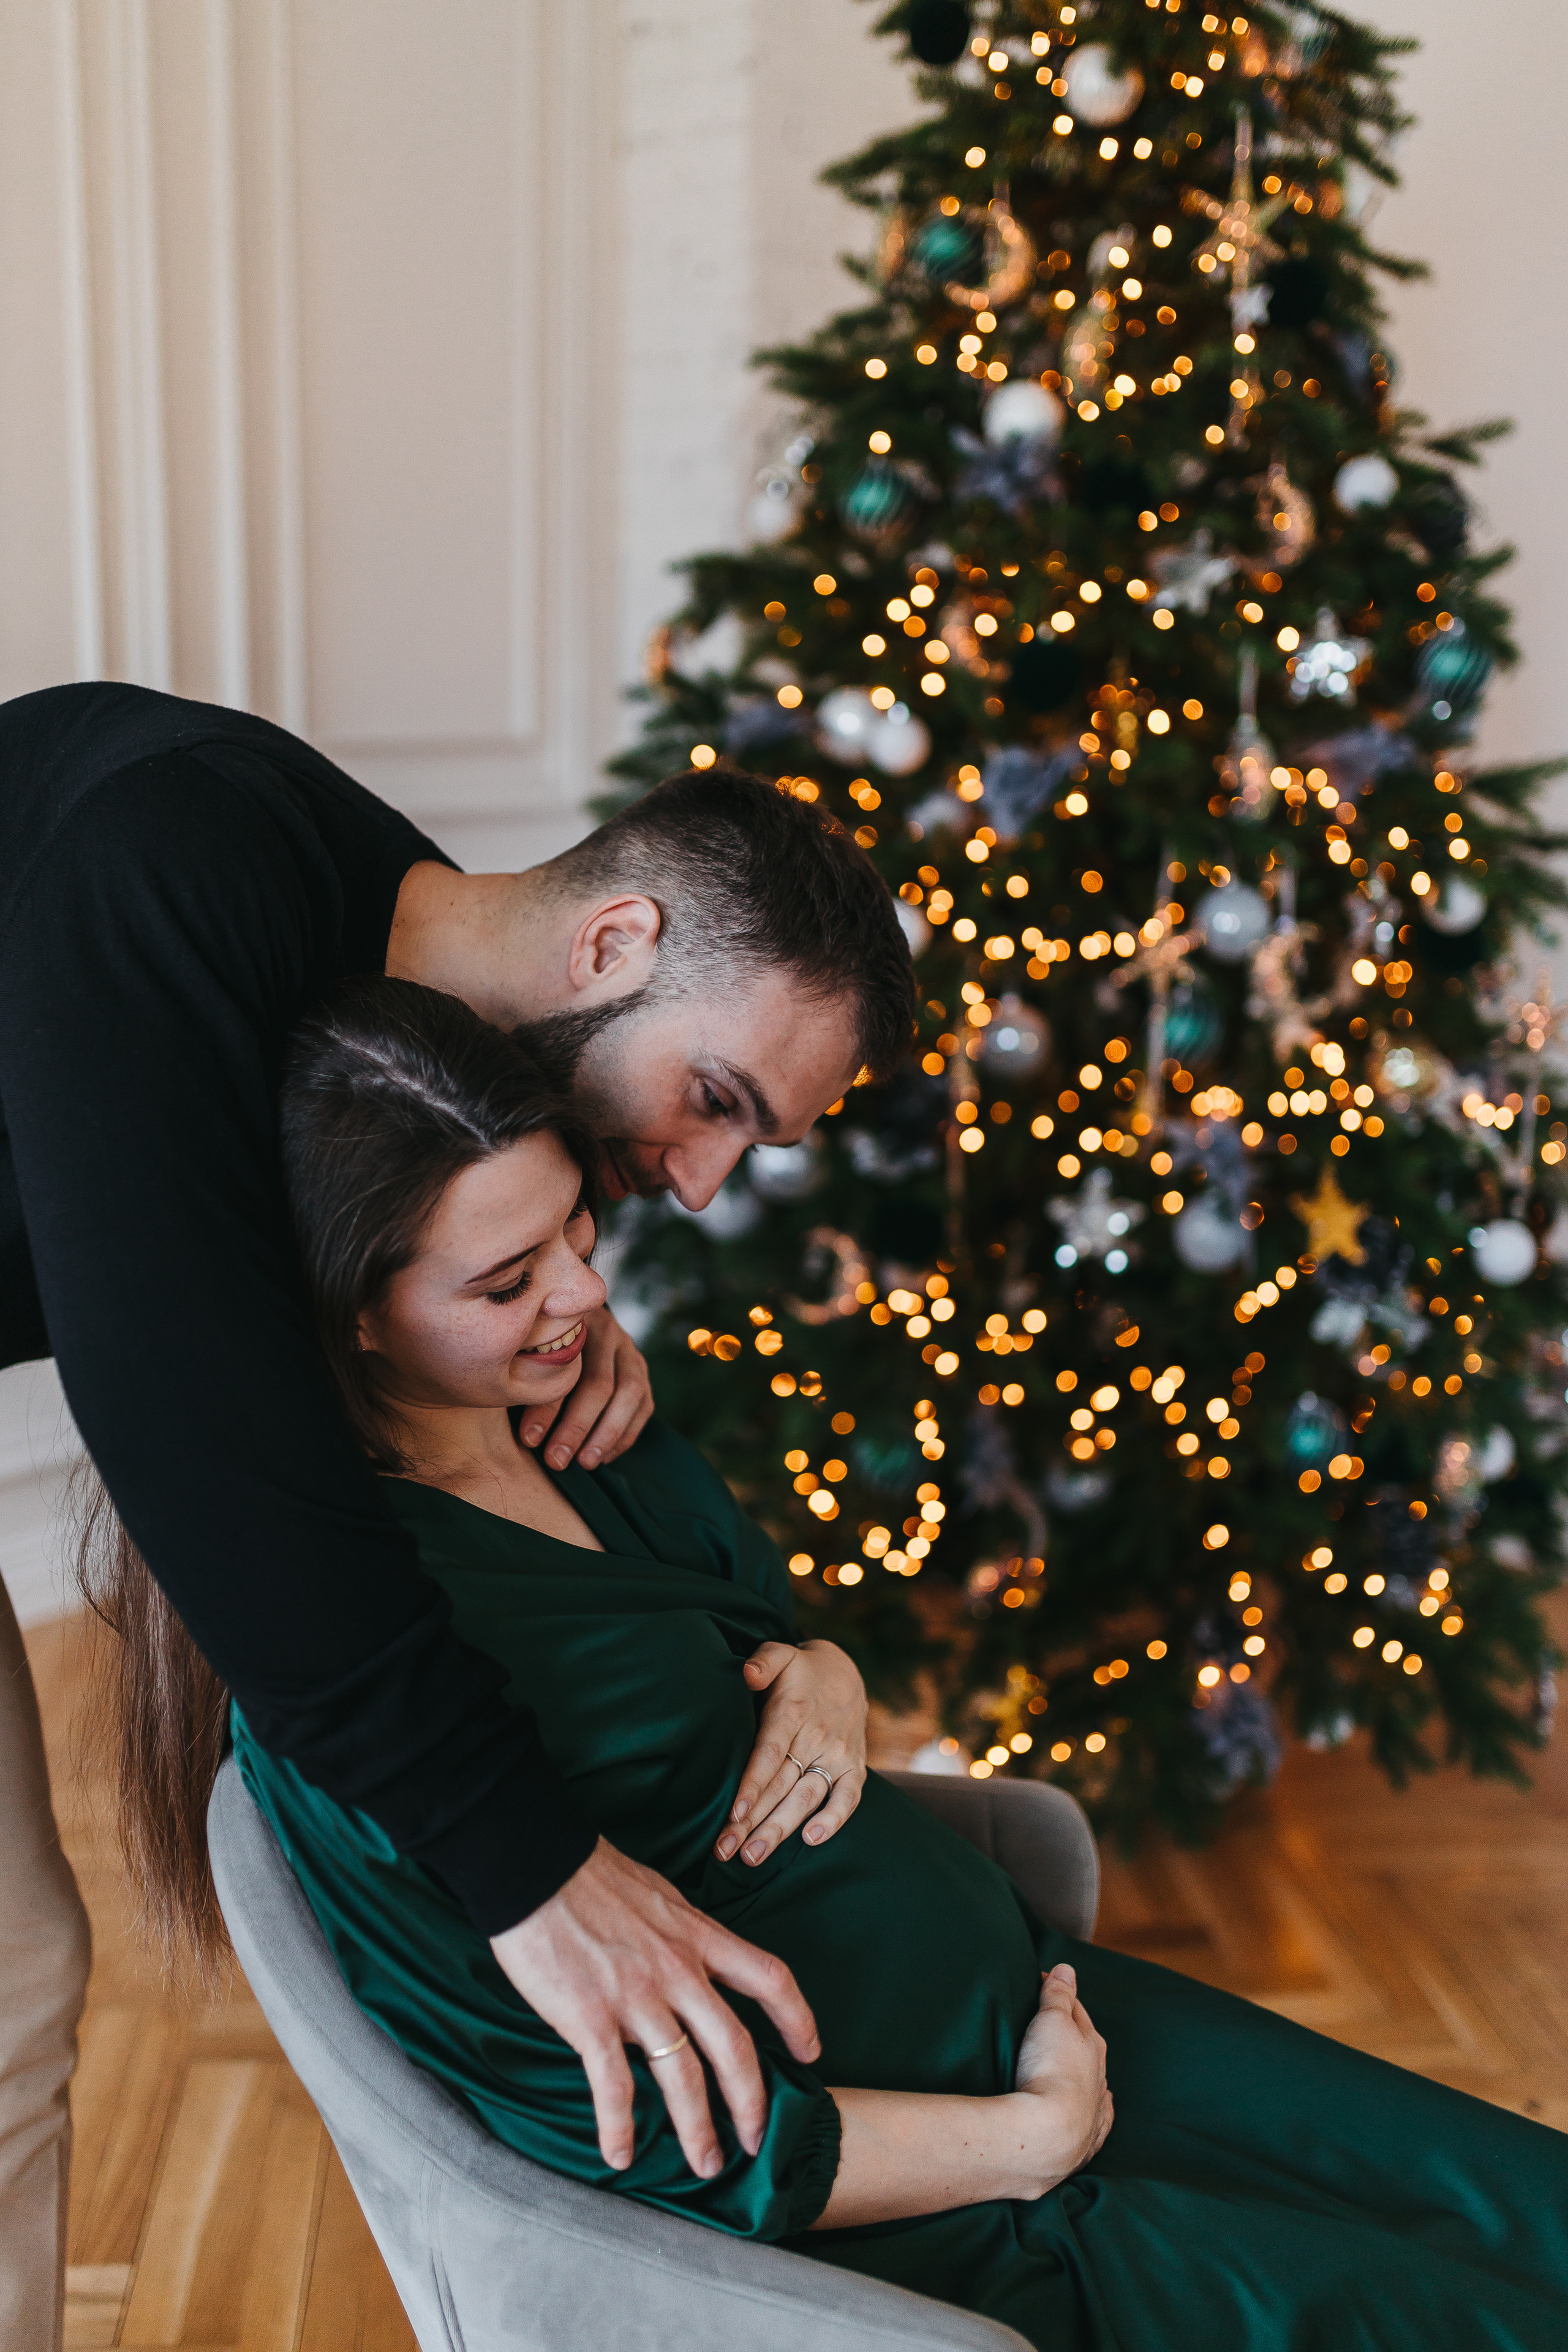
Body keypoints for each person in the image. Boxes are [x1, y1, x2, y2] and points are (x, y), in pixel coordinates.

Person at [84, 978, 1568, 2351]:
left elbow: (748, 1626)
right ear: (350, 1308)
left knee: (1530, 2208)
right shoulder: (353, 1668)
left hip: (1043, 2010)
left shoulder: (582, 1421)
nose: (585, 1302)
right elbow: (605, 2125)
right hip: (961, 2199)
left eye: (578, 1242)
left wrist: (823, 1670)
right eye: (507, 1279)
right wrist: (1022, 2144)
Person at [0, 680, 913, 2345]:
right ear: (614, 942)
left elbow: (296, 1259)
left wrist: (533, 1303)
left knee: (9, 1996)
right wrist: (529, 1868)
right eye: (714, 1098)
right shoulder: (171, 863)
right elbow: (199, 1428)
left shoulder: (368, 948)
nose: (704, 1183)